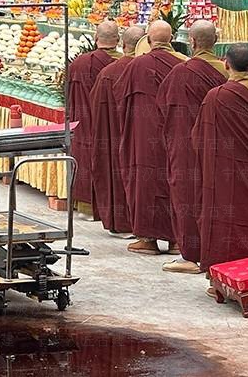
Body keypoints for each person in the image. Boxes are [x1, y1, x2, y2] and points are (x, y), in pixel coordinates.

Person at [193, 44, 248, 277]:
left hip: (222, 172)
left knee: (223, 219)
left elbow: (199, 138)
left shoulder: (214, 97)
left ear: (226, 63)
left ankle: (220, 275)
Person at [157, 21, 227, 275]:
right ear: (215, 41)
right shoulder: (226, 70)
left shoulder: (181, 72)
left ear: (193, 43)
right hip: (222, 146)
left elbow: (164, 107)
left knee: (186, 194)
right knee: (218, 196)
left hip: (186, 144)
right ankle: (218, 250)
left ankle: (190, 254)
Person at [116, 20, 187, 255]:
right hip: (177, 135)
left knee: (145, 183)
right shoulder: (184, 65)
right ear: (172, 38)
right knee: (175, 182)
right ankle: (177, 240)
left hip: (145, 135)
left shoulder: (137, 66)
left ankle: (148, 240)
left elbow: (121, 98)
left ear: (147, 39)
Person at [89, 25, 145, 235]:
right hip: (144, 136)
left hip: (114, 134)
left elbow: (97, 107)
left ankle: (122, 221)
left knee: (117, 170)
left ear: (123, 44)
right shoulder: (154, 69)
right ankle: (146, 227)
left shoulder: (109, 73)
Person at [67, 21, 122, 215]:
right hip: (112, 127)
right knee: (112, 163)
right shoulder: (124, 65)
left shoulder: (79, 64)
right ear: (118, 40)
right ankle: (111, 210)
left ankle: (85, 207)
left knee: (83, 156)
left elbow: (69, 96)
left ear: (95, 38)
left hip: (83, 124)